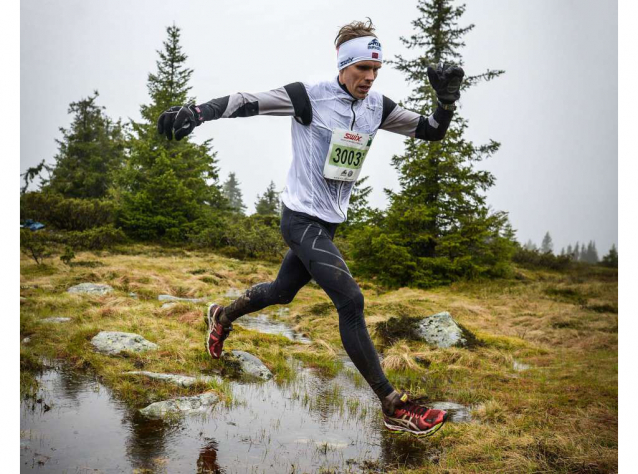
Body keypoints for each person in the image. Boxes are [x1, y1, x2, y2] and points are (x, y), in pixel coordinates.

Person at [157, 19, 464, 437]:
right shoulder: (309, 96)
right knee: (350, 301)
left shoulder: (377, 106)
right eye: (362, 70)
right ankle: (393, 404)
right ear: (343, 65)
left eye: (376, 70)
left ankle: (222, 316)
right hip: (300, 218)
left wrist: (446, 101)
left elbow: (431, 132)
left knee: (282, 292)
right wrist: (197, 112)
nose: (370, 79)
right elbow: (249, 100)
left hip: (329, 223)